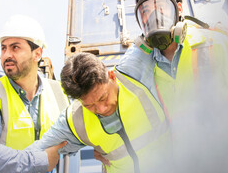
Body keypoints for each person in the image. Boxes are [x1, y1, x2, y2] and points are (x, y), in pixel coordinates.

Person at [116, 0, 228, 171]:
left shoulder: (214, 43)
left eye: (160, 7)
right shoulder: (144, 69)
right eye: (145, 12)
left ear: (178, 8)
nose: (153, 16)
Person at [27, 52, 173, 173]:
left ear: (112, 77)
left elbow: (156, 33)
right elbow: (32, 154)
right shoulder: (74, 120)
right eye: (89, 105)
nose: (101, 109)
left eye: (103, 97)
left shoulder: (132, 72)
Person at [0, 14, 69, 173]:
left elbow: (83, 127)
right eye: (3, 48)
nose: (6, 55)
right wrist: (40, 161)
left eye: (15, 47)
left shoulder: (60, 92)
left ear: (37, 54)